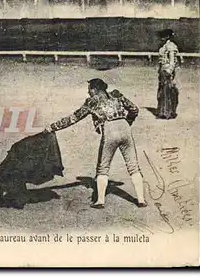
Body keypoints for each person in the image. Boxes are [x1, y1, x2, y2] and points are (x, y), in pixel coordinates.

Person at [43, 78, 147, 209]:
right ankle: (141, 200)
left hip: (109, 129)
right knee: (133, 166)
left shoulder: (91, 102)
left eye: (89, 90)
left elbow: (73, 118)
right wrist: (128, 122)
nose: (88, 93)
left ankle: (100, 201)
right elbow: (134, 109)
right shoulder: (116, 94)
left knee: (103, 168)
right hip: (125, 127)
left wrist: (52, 127)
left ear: (94, 89)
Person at [156, 29, 180, 119]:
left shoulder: (171, 46)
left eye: (164, 35)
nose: (161, 37)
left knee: (168, 91)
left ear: (168, 36)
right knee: (162, 91)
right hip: (163, 70)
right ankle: (163, 112)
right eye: (161, 36)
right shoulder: (164, 46)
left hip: (167, 71)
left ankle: (168, 113)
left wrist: (169, 71)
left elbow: (172, 61)